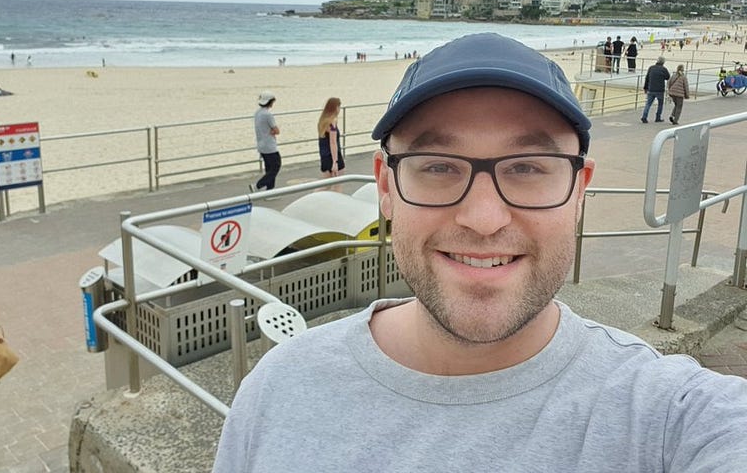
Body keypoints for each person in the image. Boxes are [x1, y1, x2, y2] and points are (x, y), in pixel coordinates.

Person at [212, 33, 747, 471]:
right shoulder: (279, 389)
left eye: (528, 167)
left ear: (579, 190)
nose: (485, 219)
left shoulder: (667, 418)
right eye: (439, 166)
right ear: (386, 187)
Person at [250, 91, 281, 192]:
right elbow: (276, 130)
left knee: (269, 168)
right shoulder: (268, 115)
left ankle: (270, 190)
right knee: (276, 166)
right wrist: (272, 131)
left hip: (261, 144)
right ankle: (258, 186)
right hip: (269, 146)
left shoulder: (257, 113)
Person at [316, 97, 345, 184]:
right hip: (333, 156)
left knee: (325, 186)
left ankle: (313, 197)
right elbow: (333, 143)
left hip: (324, 156)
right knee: (338, 184)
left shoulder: (322, 121)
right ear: (335, 108)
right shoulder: (332, 122)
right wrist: (335, 162)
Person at [641, 55, 671, 123]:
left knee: (648, 104)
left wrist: (645, 88)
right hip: (660, 90)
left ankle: (644, 116)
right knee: (660, 104)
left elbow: (647, 78)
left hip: (651, 89)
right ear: (663, 62)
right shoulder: (663, 69)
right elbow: (668, 77)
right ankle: (658, 117)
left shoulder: (651, 68)